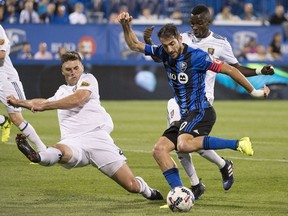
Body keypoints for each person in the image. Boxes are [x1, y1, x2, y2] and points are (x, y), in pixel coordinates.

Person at [117, 11, 270, 200]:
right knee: (159, 150)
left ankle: (237, 143)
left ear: (180, 39)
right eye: (165, 45)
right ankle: (181, 194)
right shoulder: (163, 53)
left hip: (201, 111)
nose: (170, 49)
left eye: (172, 44)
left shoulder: (197, 57)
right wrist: (125, 25)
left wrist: (254, 92)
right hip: (184, 113)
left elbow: (230, 69)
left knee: (183, 144)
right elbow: (134, 44)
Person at [7, 51, 163, 201]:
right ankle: (37, 157)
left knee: (132, 186)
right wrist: (18, 102)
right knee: (60, 150)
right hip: (72, 141)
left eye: (76, 68)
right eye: (68, 69)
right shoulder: (61, 91)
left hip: (97, 139)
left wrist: (46, 105)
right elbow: (40, 103)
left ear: (81, 67)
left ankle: (147, 191)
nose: (73, 72)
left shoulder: (88, 79)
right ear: (62, 71)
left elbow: (78, 99)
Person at [0, 24, 46, 150]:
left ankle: (42, 149)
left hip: (5, 79)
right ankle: (2, 121)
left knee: (16, 118)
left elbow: (1, 55)